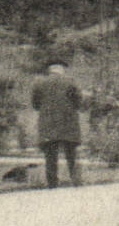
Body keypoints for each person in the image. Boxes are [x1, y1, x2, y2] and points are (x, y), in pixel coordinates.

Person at [31, 58, 83, 187]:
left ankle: (52, 184)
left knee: (50, 155)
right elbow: (78, 102)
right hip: (68, 122)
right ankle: (76, 182)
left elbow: (35, 104)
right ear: (62, 69)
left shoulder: (39, 83)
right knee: (71, 154)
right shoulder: (71, 82)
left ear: (50, 70)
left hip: (48, 122)